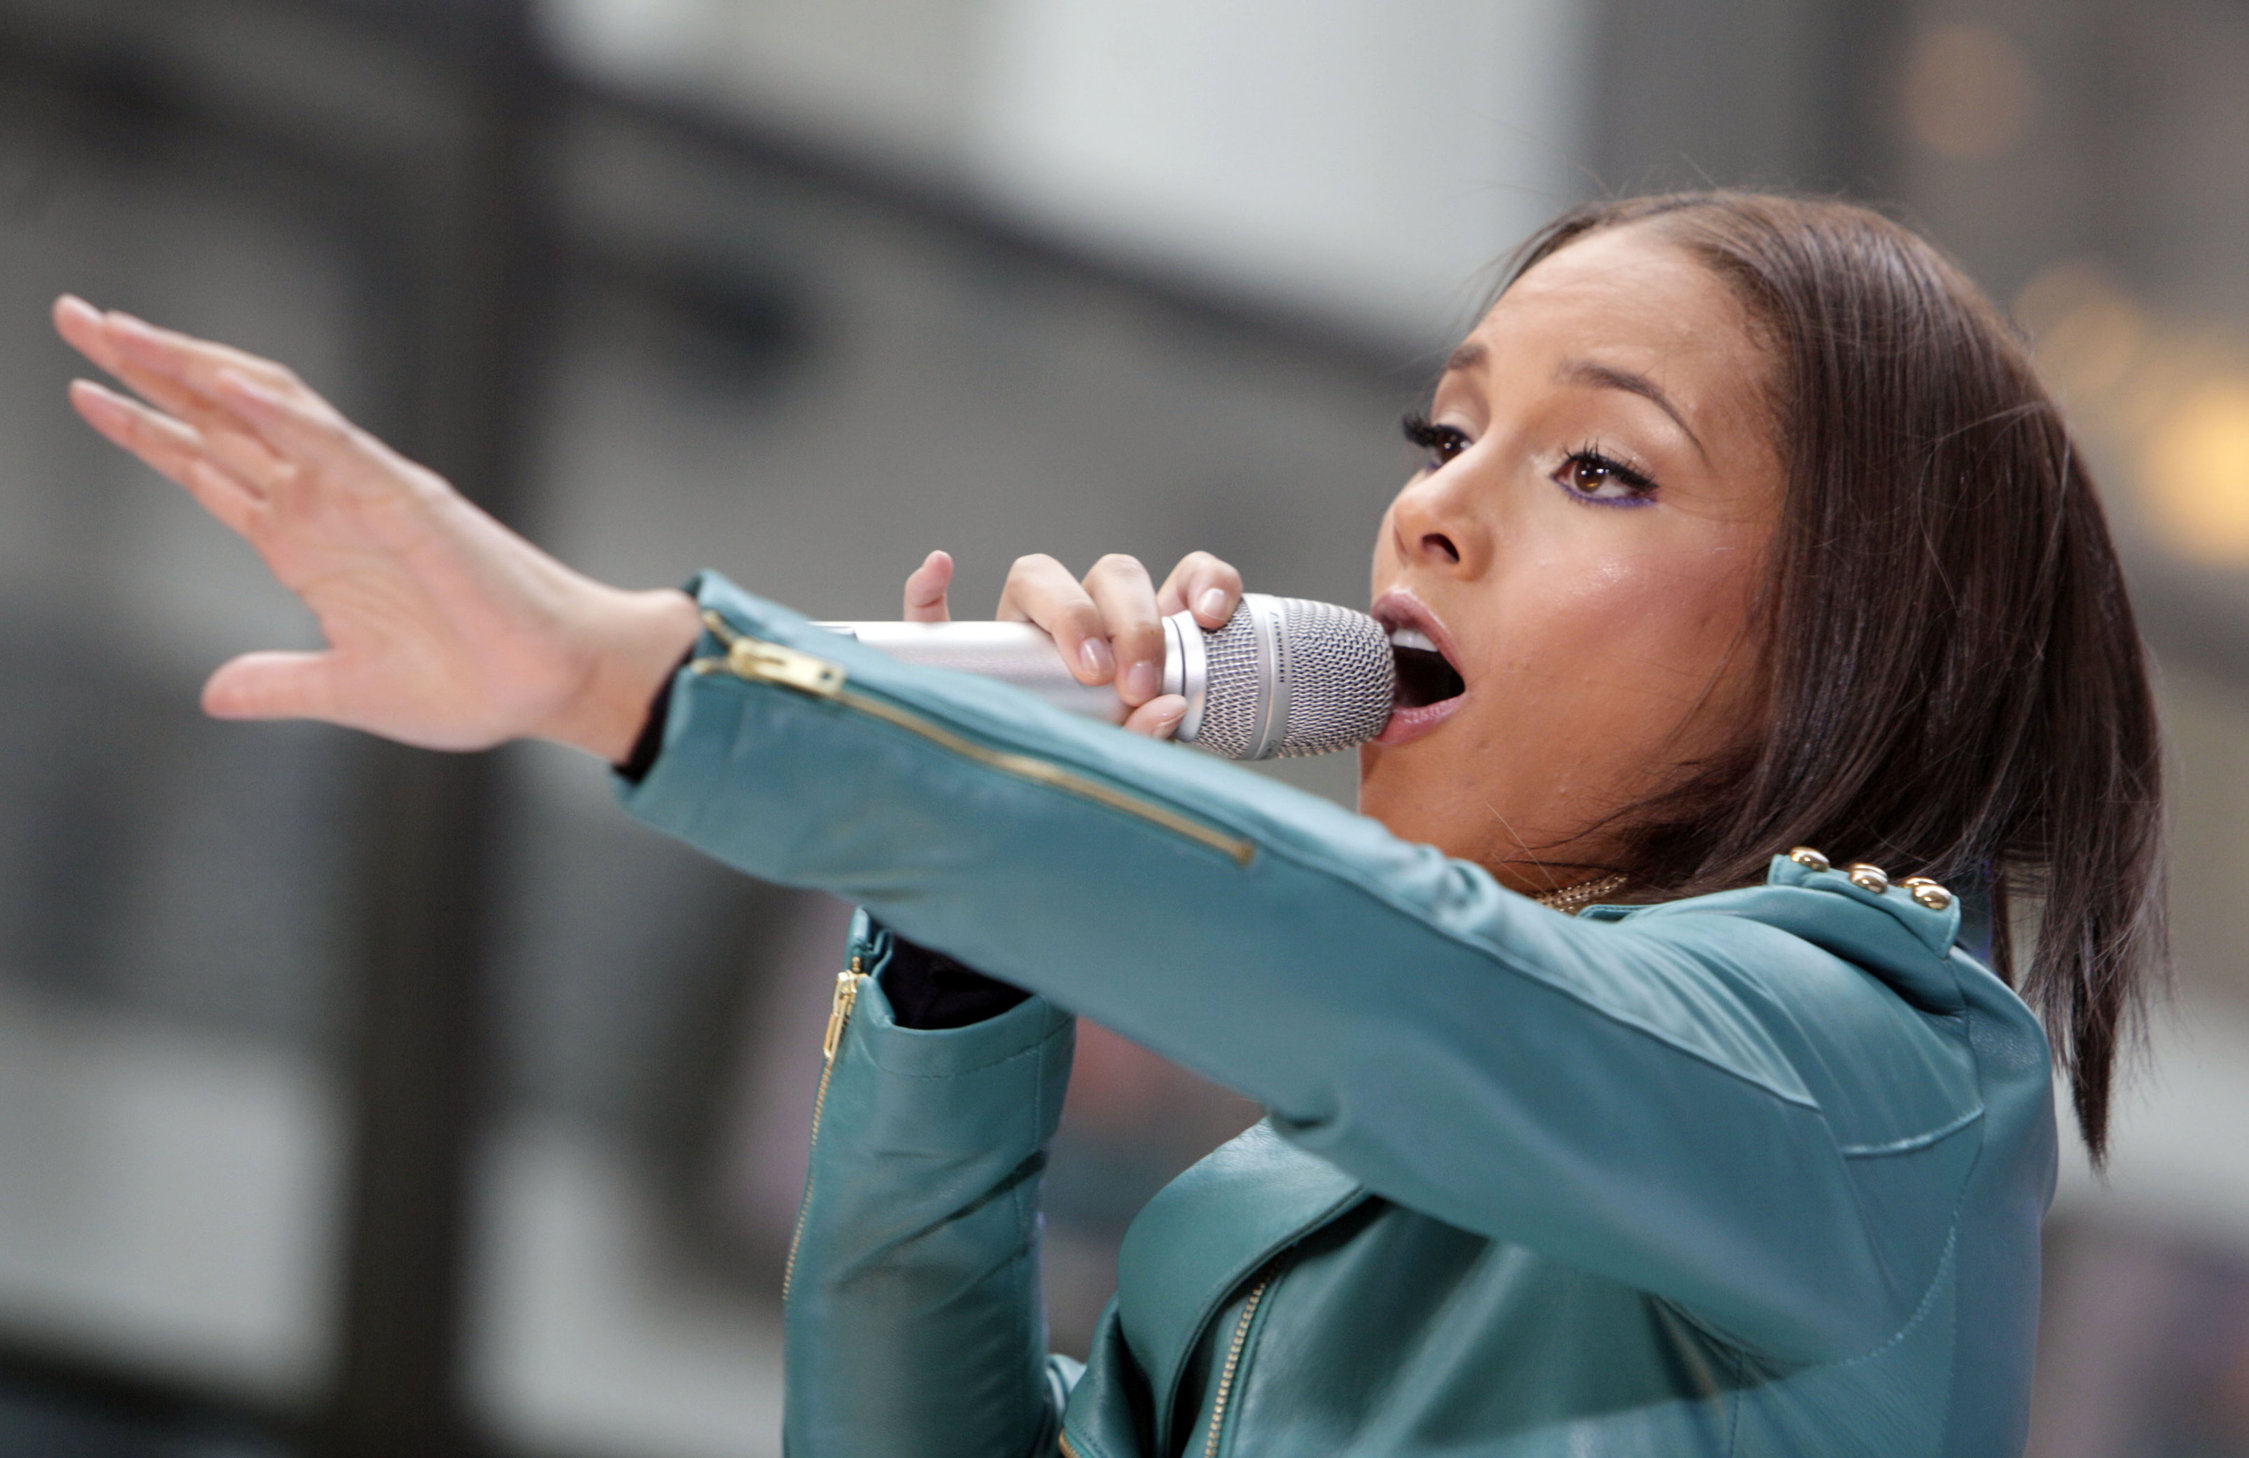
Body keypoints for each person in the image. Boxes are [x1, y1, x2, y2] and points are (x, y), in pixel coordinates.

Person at [52, 190, 2163, 1457]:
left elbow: (1426, 998)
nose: (1432, 506)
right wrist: (966, 951)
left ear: (1860, 640)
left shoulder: (1881, 1078)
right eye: (1448, 430)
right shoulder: (1247, 1226)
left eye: (1599, 470)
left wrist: (647, 677)